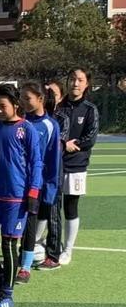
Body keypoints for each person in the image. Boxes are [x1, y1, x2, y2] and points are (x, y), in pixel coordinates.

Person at [0, 85, 43, 307]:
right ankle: (3, 278)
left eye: (2, 106)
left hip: (17, 197)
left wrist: (33, 192)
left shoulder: (27, 129)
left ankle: (7, 293)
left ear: (16, 105)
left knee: (9, 245)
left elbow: (36, 163)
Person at [16, 82, 61, 283]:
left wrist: (50, 190)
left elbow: (53, 161)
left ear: (40, 99)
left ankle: (24, 266)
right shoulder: (18, 122)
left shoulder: (51, 126)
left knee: (30, 226)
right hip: (15, 183)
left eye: (28, 99)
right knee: (12, 223)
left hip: (37, 185)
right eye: (21, 99)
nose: (23, 103)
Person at [58, 68, 99, 265]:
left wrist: (73, 146)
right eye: (72, 79)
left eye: (80, 80)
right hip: (55, 164)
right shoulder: (58, 106)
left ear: (86, 84)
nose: (75, 83)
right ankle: (44, 244)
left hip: (76, 166)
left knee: (70, 207)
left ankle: (67, 250)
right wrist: (61, 144)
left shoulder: (90, 109)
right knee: (48, 206)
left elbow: (91, 137)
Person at [37, 81, 70, 269]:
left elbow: (60, 144)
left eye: (53, 93)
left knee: (52, 212)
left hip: (52, 173)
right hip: (34, 175)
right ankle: (28, 249)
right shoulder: (31, 119)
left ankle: (53, 254)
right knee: (33, 212)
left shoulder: (60, 120)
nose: (49, 96)